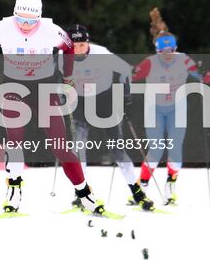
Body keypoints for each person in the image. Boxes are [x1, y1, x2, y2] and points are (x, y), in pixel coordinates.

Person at [0, 0, 105, 214]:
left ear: (39, 17)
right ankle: (14, 189)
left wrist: (67, 77)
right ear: (14, 14)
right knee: (14, 140)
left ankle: (85, 193)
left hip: (44, 88)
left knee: (60, 145)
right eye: (21, 20)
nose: (25, 25)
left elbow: (67, 49)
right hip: (13, 88)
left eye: (31, 21)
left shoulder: (51, 30)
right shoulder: (2, 28)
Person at [64, 23, 155, 211]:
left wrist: (126, 98)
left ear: (87, 43)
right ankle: (81, 193)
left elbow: (125, 71)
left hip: (104, 100)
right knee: (78, 147)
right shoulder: (61, 56)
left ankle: (137, 192)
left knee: (117, 149)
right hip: (80, 102)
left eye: (82, 45)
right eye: (74, 46)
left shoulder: (101, 53)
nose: (78, 49)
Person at [130, 8, 210, 204]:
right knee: (156, 149)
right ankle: (142, 187)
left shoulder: (183, 59)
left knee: (175, 148)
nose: (168, 55)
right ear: (157, 51)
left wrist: (203, 71)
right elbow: (130, 77)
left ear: (175, 48)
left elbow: (206, 79)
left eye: (171, 51)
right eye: (163, 52)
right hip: (155, 109)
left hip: (177, 108)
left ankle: (170, 187)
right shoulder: (150, 63)